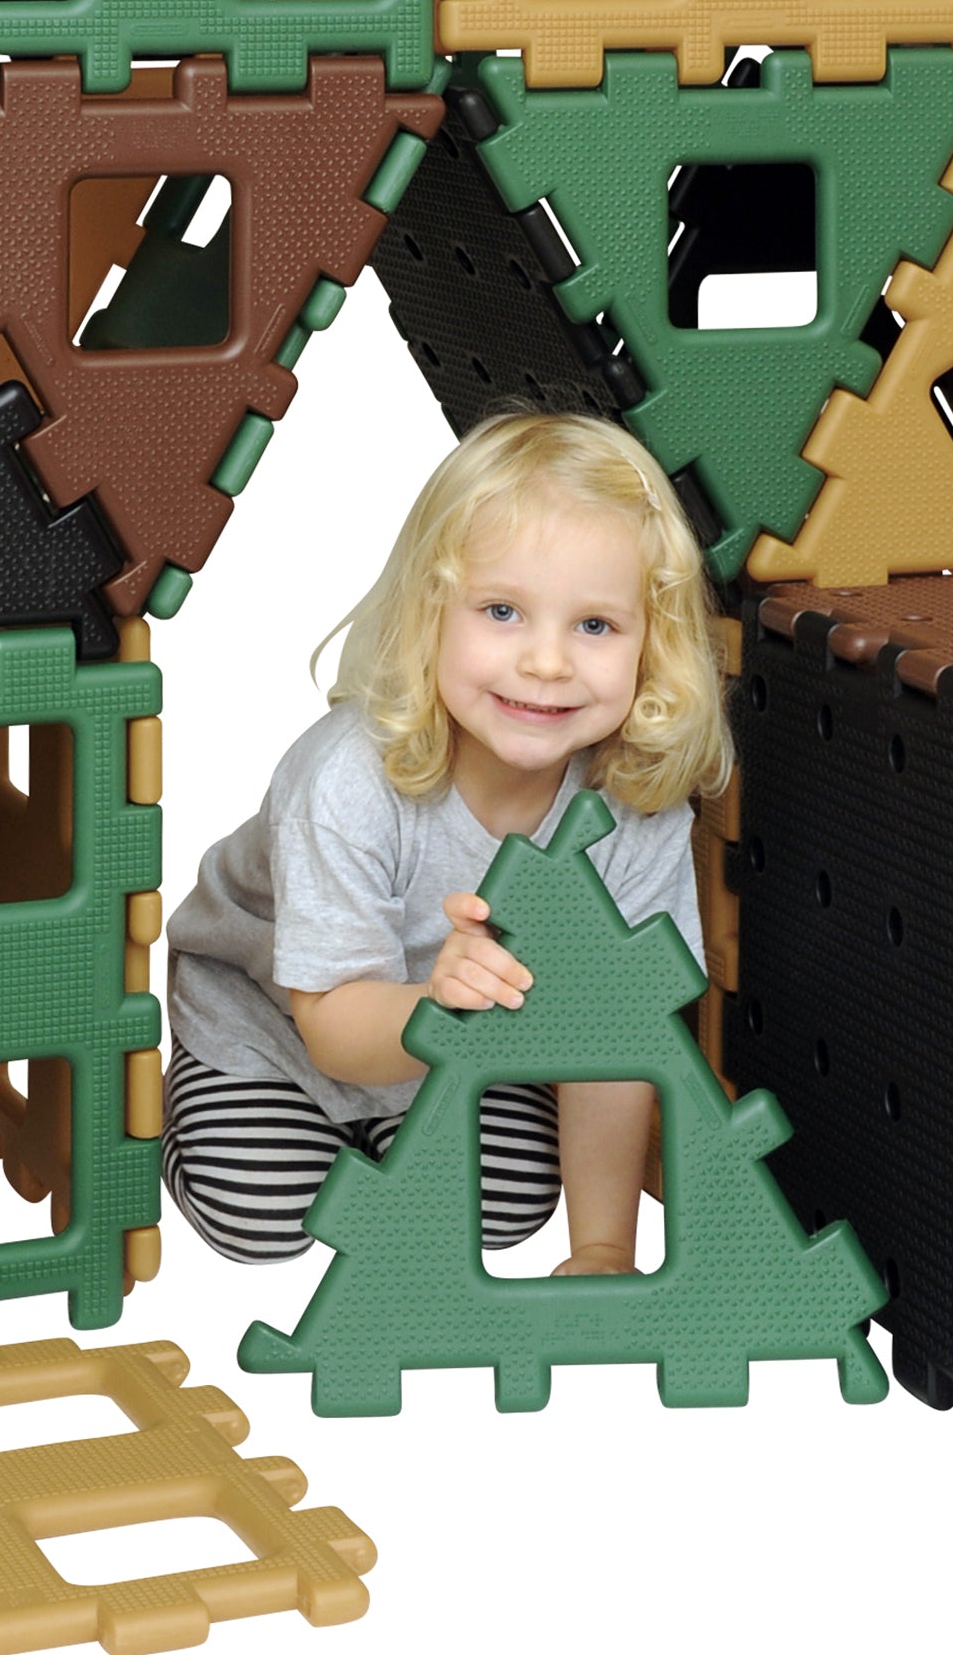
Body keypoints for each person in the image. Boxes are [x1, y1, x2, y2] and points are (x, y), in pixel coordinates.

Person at [164, 411, 729, 1273]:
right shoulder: (347, 779)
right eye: (502, 611)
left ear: (655, 647)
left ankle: (389, 1154)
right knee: (257, 1213)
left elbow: (614, 1036)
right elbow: (334, 1024)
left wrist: (605, 1244)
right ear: (433, 612)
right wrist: (435, 1003)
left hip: (456, 1050)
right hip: (277, 1028)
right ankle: (204, 1122)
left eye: (595, 626)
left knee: (510, 1206)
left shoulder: (636, 805)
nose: (546, 662)